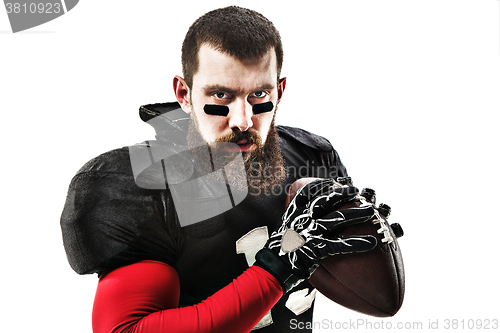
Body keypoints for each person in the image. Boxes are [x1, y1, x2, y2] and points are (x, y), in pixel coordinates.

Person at [60, 6, 379, 333]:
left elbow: (376, 295)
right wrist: (277, 265)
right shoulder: (144, 185)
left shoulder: (314, 157)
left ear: (279, 92)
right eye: (221, 95)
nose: (242, 120)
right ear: (184, 94)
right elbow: (128, 331)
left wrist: (373, 240)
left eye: (259, 94)